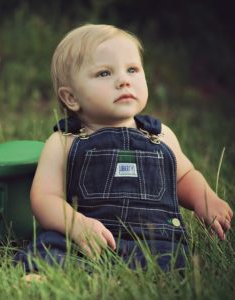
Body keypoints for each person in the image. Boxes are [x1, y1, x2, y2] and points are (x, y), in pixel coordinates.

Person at [15, 24, 233, 272]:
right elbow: (45, 197)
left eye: (132, 70)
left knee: (178, 262)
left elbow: (183, 176)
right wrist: (76, 225)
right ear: (71, 98)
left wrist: (205, 199)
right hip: (87, 238)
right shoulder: (65, 140)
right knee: (45, 250)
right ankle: (50, 272)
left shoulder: (159, 135)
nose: (123, 81)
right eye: (104, 73)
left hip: (155, 240)